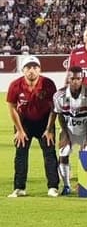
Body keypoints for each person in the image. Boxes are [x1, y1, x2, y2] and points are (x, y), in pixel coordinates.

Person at [7, 56, 60, 198]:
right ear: (22, 70)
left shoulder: (48, 84)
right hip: (24, 122)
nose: (31, 70)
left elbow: (54, 108)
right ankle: (19, 188)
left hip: (45, 122)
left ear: (40, 69)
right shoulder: (15, 85)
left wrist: (49, 129)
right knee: (20, 154)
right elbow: (11, 108)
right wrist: (19, 130)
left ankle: (53, 187)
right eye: (28, 67)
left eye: (35, 67)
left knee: (49, 154)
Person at [52, 66, 87, 195]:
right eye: (72, 78)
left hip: (85, 131)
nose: (75, 81)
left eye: (78, 78)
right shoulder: (59, 95)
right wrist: (65, 134)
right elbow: (60, 115)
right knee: (63, 153)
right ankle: (66, 186)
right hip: (69, 131)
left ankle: (84, 184)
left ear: (82, 79)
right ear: (68, 79)